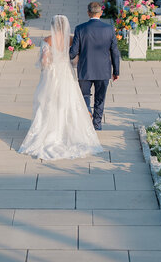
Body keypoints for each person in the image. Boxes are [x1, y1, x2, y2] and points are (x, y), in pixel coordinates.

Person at [19, 15, 104, 160]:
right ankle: (70, 132)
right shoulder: (70, 39)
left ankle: (49, 132)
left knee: (49, 103)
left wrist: (48, 62)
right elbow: (76, 59)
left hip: (52, 76)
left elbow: (44, 62)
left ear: (52, 26)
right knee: (69, 102)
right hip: (66, 73)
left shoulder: (47, 40)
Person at [70, 2, 120, 131]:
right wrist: (116, 71)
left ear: (88, 13)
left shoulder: (80, 28)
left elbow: (74, 51)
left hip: (85, 69)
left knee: (84, 96)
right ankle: (97, 124)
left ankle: (87, 115)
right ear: (101, 13)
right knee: (100, 98)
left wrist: (62, 57)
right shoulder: (109, 29)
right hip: (103, 70)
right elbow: (114, 51)